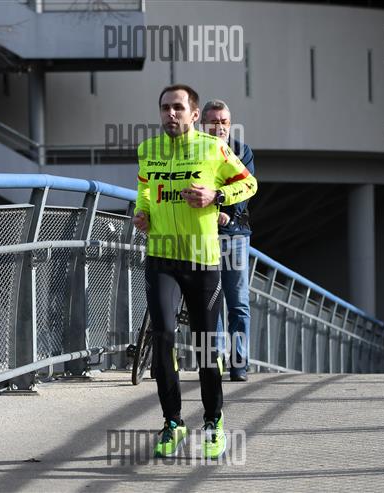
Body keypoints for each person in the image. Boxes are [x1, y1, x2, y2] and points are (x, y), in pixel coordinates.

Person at [132, 84, 257, 459]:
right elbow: (144, 189)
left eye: (178, 108)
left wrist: (216, 196)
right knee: (163, 337)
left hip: (202, 259)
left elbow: (249, 183)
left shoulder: (213, 148)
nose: (170, 114)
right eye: (164, 108)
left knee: (205, 346)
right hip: (161, 257)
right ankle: (172, 422)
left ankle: (213, 420)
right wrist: (142, 213)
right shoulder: (148, 150)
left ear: (194, 114)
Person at [200, 99, 255, 382]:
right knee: (211, 300)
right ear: (203, 125)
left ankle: (239, 362)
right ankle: (218, 358)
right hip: (203, 235)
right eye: (214, 122)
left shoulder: (242, 151)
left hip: (234, 235)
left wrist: (226, 213)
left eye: (224, 122)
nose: (219, 127)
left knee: (238, 302)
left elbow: (245, 188)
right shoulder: (194, 152)